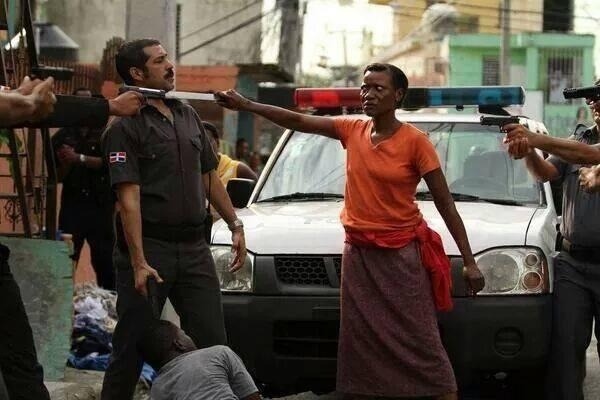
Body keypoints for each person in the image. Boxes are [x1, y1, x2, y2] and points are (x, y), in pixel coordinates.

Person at [215, 63, 485, 400]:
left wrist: (471, 262)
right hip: (358, 256)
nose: (368, 94)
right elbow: (298, 121)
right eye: (365, 87)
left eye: (378, 88)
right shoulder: (351, 129)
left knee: (419, 338)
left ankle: (443, 393)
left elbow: (446, 205)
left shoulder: (416, 143)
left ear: (397, 96)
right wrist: (247, 105)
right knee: (361, 342)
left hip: (401, 257)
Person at [101, 38, 247, 400]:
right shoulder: (124, 126)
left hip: (194, 247)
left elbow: (209, 176)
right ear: (137, 72)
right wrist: (138, 262)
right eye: (160, 61)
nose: (171, 66)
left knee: (214, 343)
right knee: (132, 345)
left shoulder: (186, 114)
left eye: (168, 59)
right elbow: (128, 198)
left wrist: (235, 224)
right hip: (150, 251)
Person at [0, 77, 143, 400]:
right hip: (75, 211)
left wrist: (27, 100)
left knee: (20, 360)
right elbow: (17, 109)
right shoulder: (63, 134)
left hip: (98, 212)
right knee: (19, 360)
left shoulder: (107, 135)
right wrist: (30, 102)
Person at [504, 89, 600, 400]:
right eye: (592, 98)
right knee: (565, 350)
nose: (594, 103)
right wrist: (527, 150)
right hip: (574, 263)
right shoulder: (580, 139)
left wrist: (535, 139)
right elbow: (545, 172)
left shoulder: (583, 148)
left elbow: (591, 156)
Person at [52, 88, 115, 289]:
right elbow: (55, 176)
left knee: (105, 261)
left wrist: (78, 158)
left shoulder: (106, 134)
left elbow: (110, 165)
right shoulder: (63, 136)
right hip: (73, 206)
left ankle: (111, 306)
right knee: (67, 257)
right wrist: (66, 162)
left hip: (101, 206)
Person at [138, 320, 261, 400]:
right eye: (184, 334)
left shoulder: (157, 388)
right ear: (179, 344)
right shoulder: (219, 353)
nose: (189, 337)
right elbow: (252, 397)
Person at [204, 121, 257, 187]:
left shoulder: (239, 169)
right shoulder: (192, 174)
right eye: (198, 143)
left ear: (217, 143)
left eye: (207, 142)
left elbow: (261, 192)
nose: (203, 147)